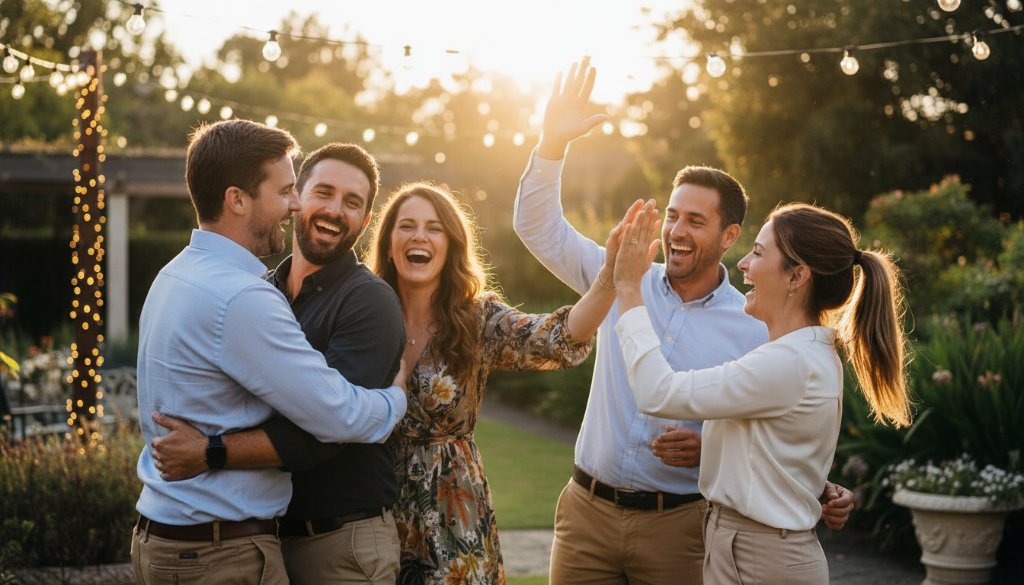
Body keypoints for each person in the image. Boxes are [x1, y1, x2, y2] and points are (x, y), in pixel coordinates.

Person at [513, 58, 853, 585]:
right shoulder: (620, 277)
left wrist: (716, 450)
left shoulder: (756, 325)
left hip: (682, 526)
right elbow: (537, 227)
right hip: (587, 513)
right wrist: (551, 144)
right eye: (672, 214)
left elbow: (782, 424)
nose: (677, 230)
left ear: (730, 236)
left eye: (695, 220)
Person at [131, 120, 407, 585]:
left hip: (180, 541)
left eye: (353, 201)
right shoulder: (244, 296)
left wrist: (211, 451)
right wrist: (397, 396)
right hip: (218, 553)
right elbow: (338, 416)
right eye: (287, 191)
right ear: (237, 199)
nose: (295, 203)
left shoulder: (172, 275)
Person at [613, 201, 911, 584]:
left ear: (797, 275)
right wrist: (813, 488)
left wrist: (627, 289)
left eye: (757, 253)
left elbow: (658, 392)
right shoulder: (796, 355)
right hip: (746, 549)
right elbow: (775, 447)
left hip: (761, 557)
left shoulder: (789, 362)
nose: (743, 265)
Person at [364, 181, 621, 584]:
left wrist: (608, 280)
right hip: (373, 508)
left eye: (434, 228)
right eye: (407, 225)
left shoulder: (476, 319)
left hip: (454, 512)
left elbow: (558, 337)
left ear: (450, 243)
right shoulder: (364, 314)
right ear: (389, 240)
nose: (420, 236)